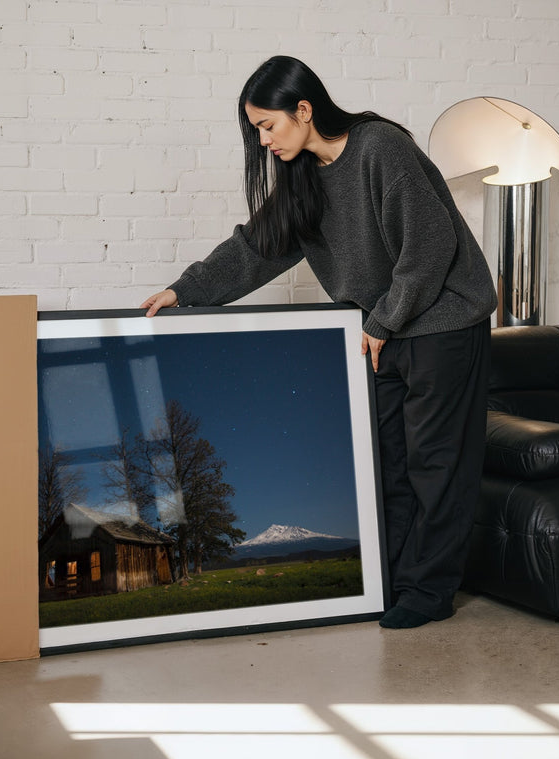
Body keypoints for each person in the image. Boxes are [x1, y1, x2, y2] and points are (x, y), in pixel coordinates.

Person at [141, 55, 498, 629]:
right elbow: (257, 246)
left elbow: (429, 246)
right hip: (383, 329)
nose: (263, 142)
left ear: (303, 110)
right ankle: (394, 583)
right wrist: (186, 290)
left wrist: (383, 321)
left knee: (437, 465)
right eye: (256, 130)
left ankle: (429, 593)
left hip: (442, 320)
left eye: (268, 126)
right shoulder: (303, 175)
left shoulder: (380, 148)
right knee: (389, 465)